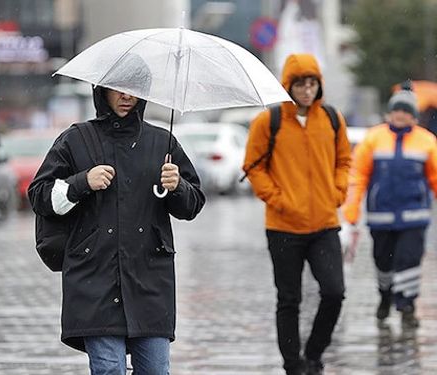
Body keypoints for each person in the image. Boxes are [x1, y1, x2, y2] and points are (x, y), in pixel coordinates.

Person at [28, 76, 206, 372]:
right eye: (118, 89)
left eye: (134, 90)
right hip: (94, 279)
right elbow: (40, 196)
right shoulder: (76, 139)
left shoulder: (163, 142)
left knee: (155, 370)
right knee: (109, 369)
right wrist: (81, 182)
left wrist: (178, 187)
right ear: (102, 91)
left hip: (150, 281)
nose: (126, 96)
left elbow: (192, 205)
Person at [242, 53, 352, 375]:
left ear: (319, 85)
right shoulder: (268, 121)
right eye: (300, 83)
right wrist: (278, 199)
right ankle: (293, 364)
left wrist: (337, 192)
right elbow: (253, 167)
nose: (307, 90)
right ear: (287, 85)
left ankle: (314, 354)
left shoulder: (332, 118)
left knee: (334, 292)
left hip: (324, 225)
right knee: (289, 299)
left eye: (312, 83)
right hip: (283, 227)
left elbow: (344, 160)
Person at [342, 88, 437, 328]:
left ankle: (407, 305)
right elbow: (358, 175)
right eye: (396, 110)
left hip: (414, 216)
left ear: (414, 116)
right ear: (389, 113)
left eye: (405, 111)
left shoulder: (426, 141)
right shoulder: (374, 138)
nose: (400, 115)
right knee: (383, 261)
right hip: (380, 216)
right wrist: (351, 208)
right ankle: (385, 295)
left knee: (410, 260)